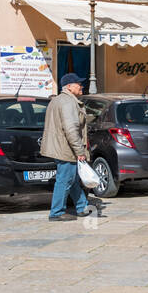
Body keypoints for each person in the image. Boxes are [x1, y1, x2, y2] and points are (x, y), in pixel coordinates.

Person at [41, 73, 97, 222]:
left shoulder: (59, 100)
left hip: (61, 146)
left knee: (71, 179)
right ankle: (56, 212)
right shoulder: (68, 102)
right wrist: (80, 151)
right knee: (65, 180)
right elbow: (71, 128)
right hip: (65, 148)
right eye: (78, 84)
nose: (81, 86)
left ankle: (82, 207)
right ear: (69, 87)